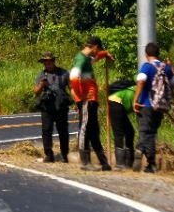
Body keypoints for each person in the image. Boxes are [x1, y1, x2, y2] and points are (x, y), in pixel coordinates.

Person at [133, 42, 174, 174]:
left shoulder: (146, 66)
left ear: (146, 54)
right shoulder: (166, 68)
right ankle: (150, 164)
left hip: (145, 104)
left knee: (144, 131)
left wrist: (135, 100)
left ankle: (141, 150)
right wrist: (171, 68)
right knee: (151, 133)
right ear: (158, 54)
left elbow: (141, 80)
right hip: (160, 106)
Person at [69, 36, 113, 171]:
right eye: (98, 49)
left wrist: (105, 54)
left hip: (92, 100)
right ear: (94, 46)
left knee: (94, 130)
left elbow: (96, 58)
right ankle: (85, 162)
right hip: (86, 100)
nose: (97, 51)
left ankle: (103, 162)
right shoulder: (81, 59)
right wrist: (80, 93)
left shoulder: (87, 59)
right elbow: (73, 76)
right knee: (85, 129)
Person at [32, 53, 71, 163]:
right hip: (47, 106)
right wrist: (41, 85)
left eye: (49, 61)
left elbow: (71, 87)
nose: (47, 64)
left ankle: (64, 154)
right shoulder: (41, 75)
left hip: (61, 105)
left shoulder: (64, 73)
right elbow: (35, 92)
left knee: (63, 130)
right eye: (45, 62)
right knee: (46, 130)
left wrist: (76, 101)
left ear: (53, 61)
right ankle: (49, 154)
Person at [107, 79, 137, 170]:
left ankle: (129, 162)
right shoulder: (143, 91)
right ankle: (120, 164)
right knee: (119, 133)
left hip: (120, 103)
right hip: (115, 101)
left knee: (130, 132)